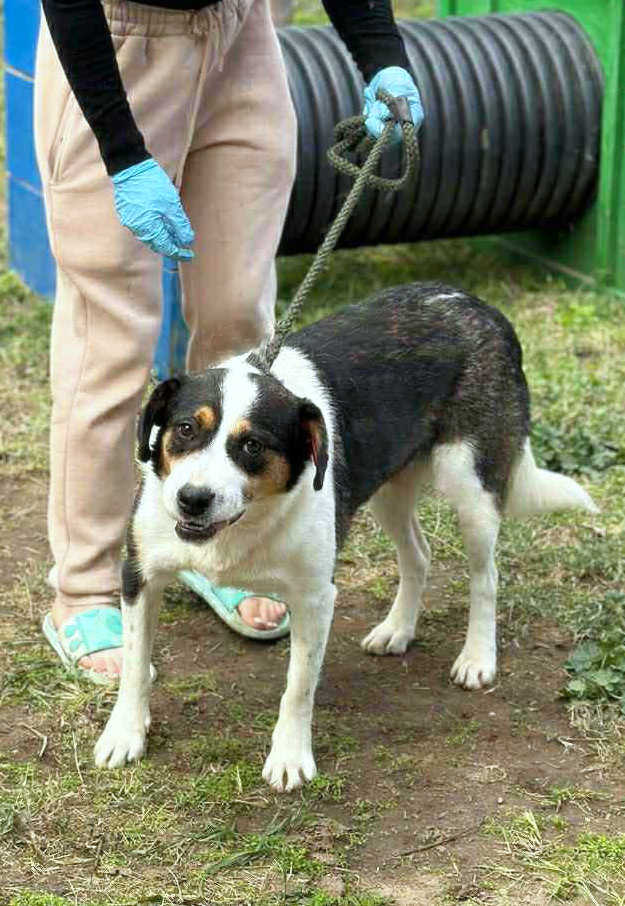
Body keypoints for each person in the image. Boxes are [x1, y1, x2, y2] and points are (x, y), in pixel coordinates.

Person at [35, 0, 423, 681]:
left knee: (239, 316)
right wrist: (123, 154)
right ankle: (86, 587)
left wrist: (381, 53)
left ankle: (221, 542)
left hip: (242, 37)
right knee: (110, 340)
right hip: (117, 44)